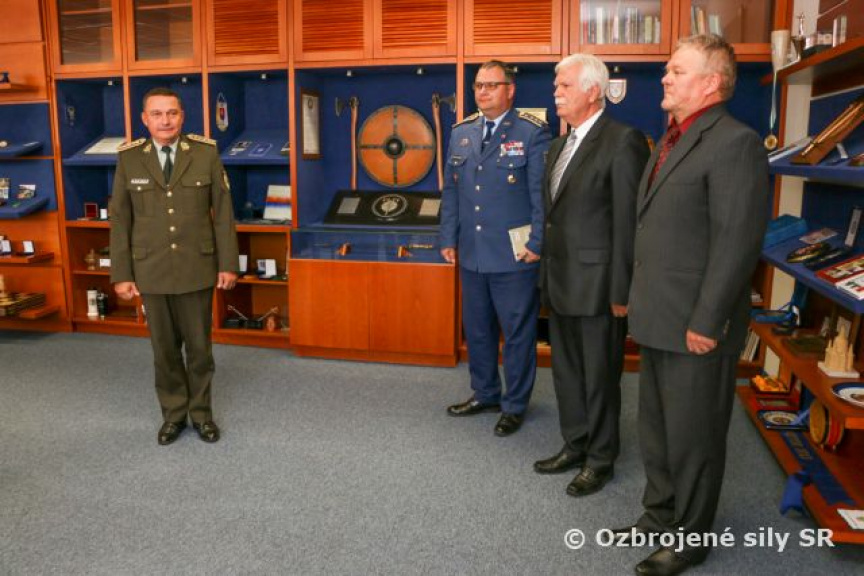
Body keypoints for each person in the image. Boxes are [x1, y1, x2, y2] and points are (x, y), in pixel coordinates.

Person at [615, 35, 769, 576]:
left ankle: (690, 537)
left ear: (711, 82)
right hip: (659, 315)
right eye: (667, 69)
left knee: (694, 438)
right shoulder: (670, 139)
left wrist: (708, 320)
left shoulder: (736, 143)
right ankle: (659, 515)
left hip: (696, 325)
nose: (665, 77)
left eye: (677, 71)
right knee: (656, 430)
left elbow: (736, 243)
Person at [534, 54, 649, 497]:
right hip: (560, 281)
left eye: (564, 86)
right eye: (556, 85)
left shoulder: (623, 141)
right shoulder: (557, 146)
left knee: (600, 378)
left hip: (600, 287)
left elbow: (628, 223)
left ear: (593, 91)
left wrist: (622, 291)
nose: (556, 93)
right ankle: (575, 443)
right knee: (566, 373)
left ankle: (600, 459)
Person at [110, 87, 240, 446]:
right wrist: (121, 274)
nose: (165, 120)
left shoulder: (205, 153)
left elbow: (223, 213)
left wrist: (228, 263)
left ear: (182, 116)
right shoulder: (129, 158)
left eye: (172, 113)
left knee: (199, 350)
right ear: (144, 119)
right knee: (164, 351)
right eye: (157, 114)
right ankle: (173, 415)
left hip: (196, 266)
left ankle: (201, 415)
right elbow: (120, 219)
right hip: (150, 269)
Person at [440, 60, 552, 436]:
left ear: (510, 90)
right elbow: (452, 191)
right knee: (478, 329)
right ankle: (485, 393)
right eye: (478, 86)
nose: (483, 92)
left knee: (517, 333)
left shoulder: (531, 132)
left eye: (491, 85)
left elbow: (540, 194)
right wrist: (448, 237)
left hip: (514, 255)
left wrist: (537, 242)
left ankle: (515, 404)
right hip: (472, 251)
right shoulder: (462, 132)